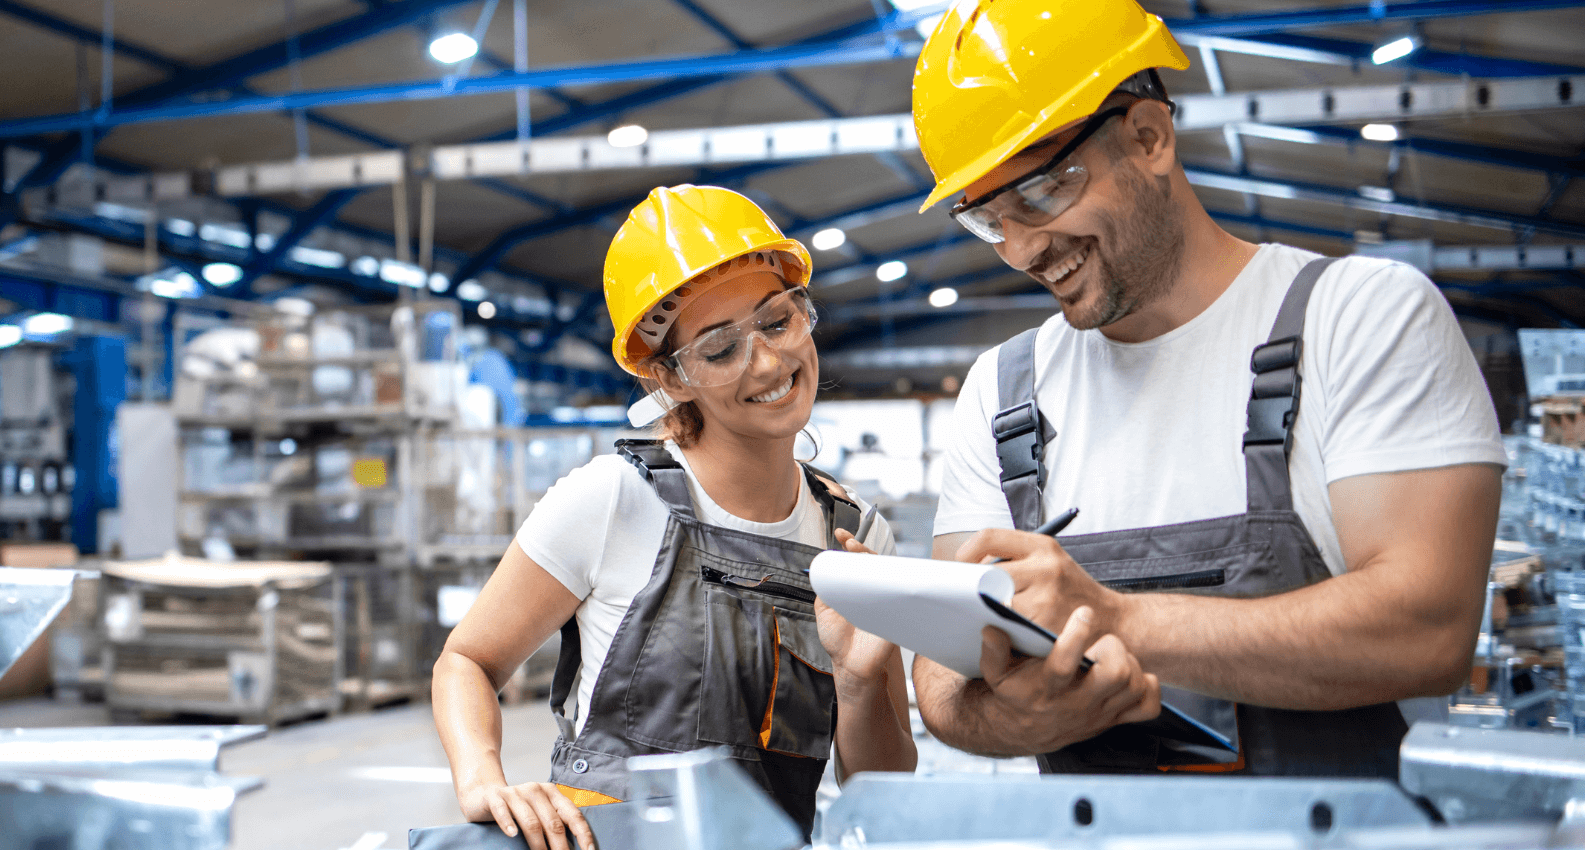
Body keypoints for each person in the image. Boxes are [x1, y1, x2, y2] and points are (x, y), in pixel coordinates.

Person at [890, 0, 1505, 776]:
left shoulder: (1355, 317)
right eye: (987, 219)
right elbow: (944, 683)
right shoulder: (1006, 390)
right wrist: (1008, 716)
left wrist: (1121, 622)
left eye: (1042, 194)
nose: (1020, 250)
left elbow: (1428, 630)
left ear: (1149, 138)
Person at [432, 184, 916, 848]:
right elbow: (466, 660)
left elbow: (882, 791)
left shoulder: (856, 537)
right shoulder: (614, 501)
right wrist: (483, 779)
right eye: (720, 350)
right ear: (672, 377)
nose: (770, 361)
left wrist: (859, 683)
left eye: (778, 321)